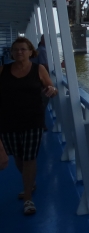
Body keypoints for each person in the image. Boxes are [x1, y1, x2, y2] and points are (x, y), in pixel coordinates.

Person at [0, 37, 58, 216]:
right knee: (18, 156)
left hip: (33, 120)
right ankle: (30, 183)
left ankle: (28, 198)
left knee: (29, 158)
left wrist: (52, 90)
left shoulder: (38, 69)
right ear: (11, 53)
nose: (19, 52)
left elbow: (51, 88)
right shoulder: (3, 70)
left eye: (23, 49)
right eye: (16, 49)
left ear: (31, 52)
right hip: (8, 121)